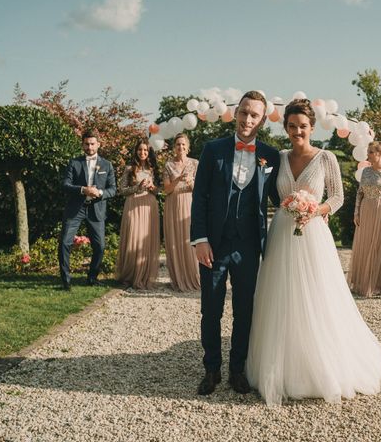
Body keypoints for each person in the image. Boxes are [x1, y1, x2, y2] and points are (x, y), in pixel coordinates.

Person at [246, 99, 381, 406]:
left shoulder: (325, 158)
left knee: (317, 295)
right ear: (285, 128)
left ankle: (319, 365)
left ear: (312, 128)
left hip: (314, 234)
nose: (298, 131)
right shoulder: (278, 158)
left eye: (303, 126)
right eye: (292, 126)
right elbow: (266, 192)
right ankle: (281, 365)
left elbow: (337, 196)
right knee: (281, 297)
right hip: (282, 233)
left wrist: (316, 209)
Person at [190, 91, 281, 395]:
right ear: (236, 112)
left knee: (245, 310)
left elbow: (281, 196)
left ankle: (237, 370)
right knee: (210, 309)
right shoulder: (212, 149)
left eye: (254, 115)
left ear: (262, 120)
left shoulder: (271, 155)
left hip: (249, 245)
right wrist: (200, 239)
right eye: (243, 112)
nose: (247, 119)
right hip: (213, 244)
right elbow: (199, 198)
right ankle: (211, 369)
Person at [59, 130, 116, 291]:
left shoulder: (107, 165)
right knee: (65, 242)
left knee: (100, 246)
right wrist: (84, 189)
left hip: (96, 209)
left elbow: (113, 189)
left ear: (98, 144)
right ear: (82, 144)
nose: (90, 147)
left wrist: (101, 193)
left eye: (92, 144)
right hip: (75, 209)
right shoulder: (74, 163)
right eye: (87, 144)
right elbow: (65, 185)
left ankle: (92, 277)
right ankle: (66, 281)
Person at [349, 141, 381, 296]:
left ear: (380, 154)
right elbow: (359, 193)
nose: (368, 155)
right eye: (368, 151)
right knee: (364, 244)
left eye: (371, 152)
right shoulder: (365, 172)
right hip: (365, 210)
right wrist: (356, 213)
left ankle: (376, 283)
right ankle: (361, 282)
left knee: (378, 245)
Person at [116, 139, 160, 290]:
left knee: (145, 241)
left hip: (149, 206)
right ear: (136, 151)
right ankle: (129, 275)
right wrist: (137, 187)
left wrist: (152, 187)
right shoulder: (129, 169)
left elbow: (158, 191)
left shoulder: (153, 170)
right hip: (133, 205)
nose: (143, 153)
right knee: (133, 238)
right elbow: (122, 190)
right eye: (140, 150)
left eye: (146, 150)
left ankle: (144, 274)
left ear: (149, 153)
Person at [163, 133, 200, 291]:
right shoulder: (168, 165)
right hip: (173, 205)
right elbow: (166, 190)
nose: (181, 147)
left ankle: (194, 276)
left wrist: (191, 183)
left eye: (183, 144)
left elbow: (200, 190)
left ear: (188, 147)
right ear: (174, 147)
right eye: (178, 144)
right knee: (175, 241)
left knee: (190, 239)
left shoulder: (195, 163)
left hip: (190, 204)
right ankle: (179, 279)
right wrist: (177, 179)